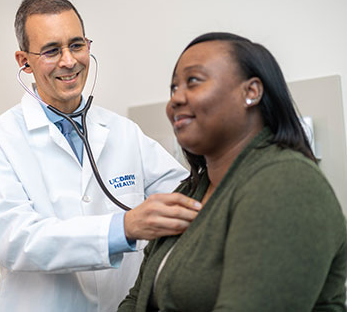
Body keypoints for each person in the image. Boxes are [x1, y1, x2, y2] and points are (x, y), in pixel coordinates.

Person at [0, 0, 201, 312]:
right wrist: (124, 227)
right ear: (24, 60)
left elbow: (186, 194)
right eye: (51, 50)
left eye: (77, 45)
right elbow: (15, 240)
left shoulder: (123, 132)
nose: (68, 61)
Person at [118, 32, 347, 312]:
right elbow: (137, 300)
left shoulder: (286, 183)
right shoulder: (190, 191)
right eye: (173, 88)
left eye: (193, 81)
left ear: (251, 92)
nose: (175, 99)